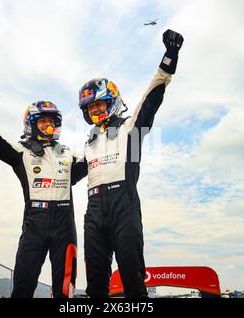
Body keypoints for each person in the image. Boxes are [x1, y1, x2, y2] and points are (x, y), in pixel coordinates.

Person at [77, 29, 184, 297]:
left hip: (124, 207)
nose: (96, 111)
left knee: (132, 279)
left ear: (112, 102)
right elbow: (60, 173)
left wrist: (169, 57)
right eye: (91, 108)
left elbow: (152, 97)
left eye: (100, 105)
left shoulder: (130, 128)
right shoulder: (88, 143)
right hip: (94, 212)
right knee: (96, 285)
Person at [0, 71, 86, 298]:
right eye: (43, 121)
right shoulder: (20, 152)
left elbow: (98, 156)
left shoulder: (69, 153)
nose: (49, 125)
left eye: (52, 121)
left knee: (65, 291)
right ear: (31, 124)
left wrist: (115, 132)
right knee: (23, 287)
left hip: (65, 227)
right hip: (34, 225)